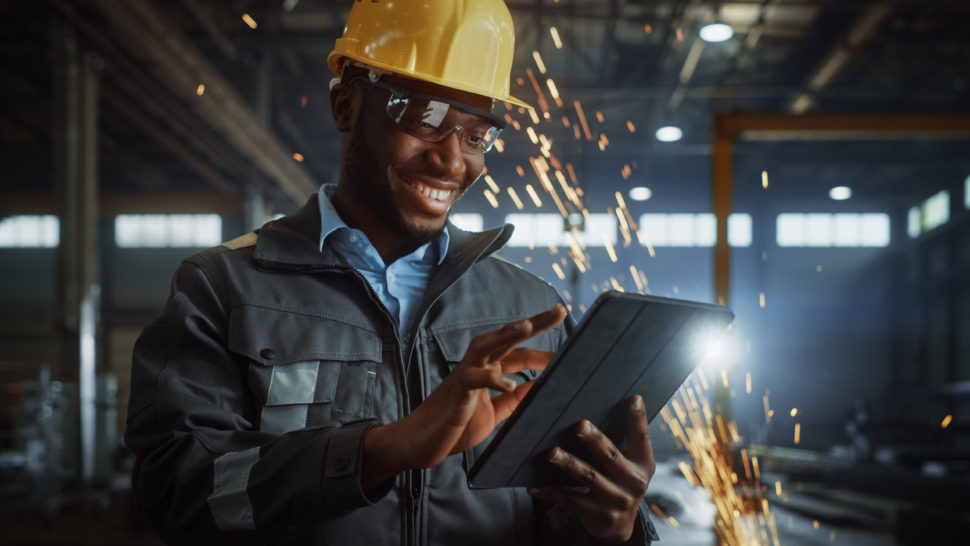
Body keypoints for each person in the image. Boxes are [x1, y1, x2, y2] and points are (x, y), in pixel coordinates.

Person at [125, 1, 659, 544]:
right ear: (345, 106)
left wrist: (612, 528)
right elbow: (179, 495)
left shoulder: (527, 308)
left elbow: (555, 508)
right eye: (423, 117)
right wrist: (382, 449)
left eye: (476, 135)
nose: (452, 162)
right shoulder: (224, 288)